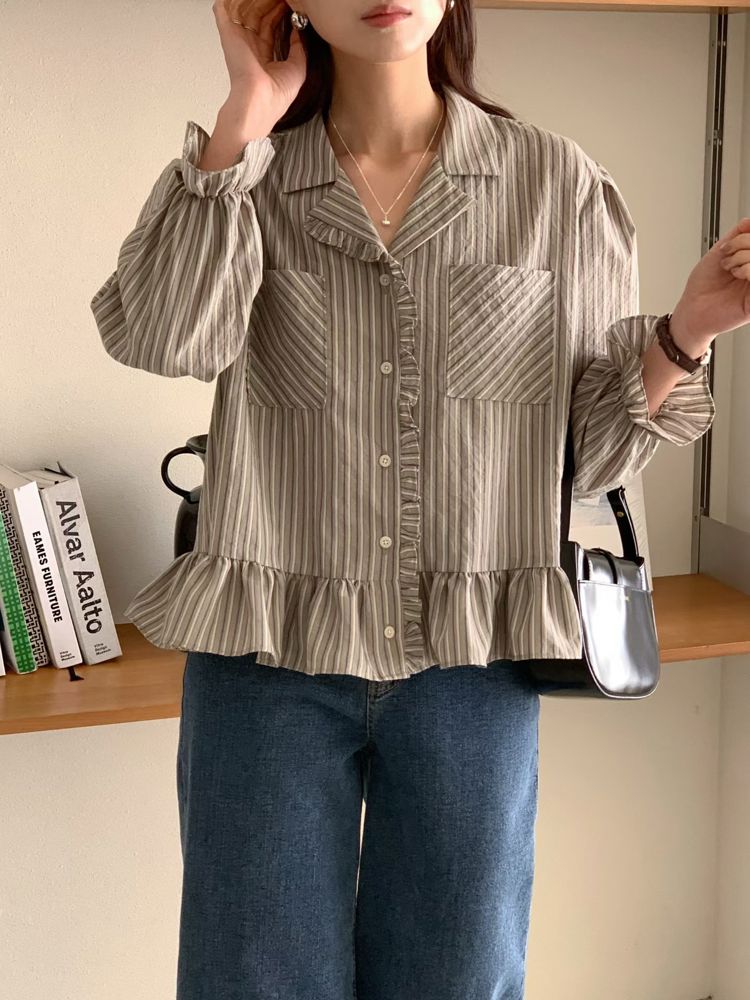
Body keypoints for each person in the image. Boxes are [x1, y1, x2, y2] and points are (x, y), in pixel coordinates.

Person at [91, 0, 749, 996]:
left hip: (472, 665)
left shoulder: (555, 185)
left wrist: (685, 330)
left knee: (461, 980)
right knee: (248, 979)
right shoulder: (249, 181)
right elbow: (163, 337)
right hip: (269, 658)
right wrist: (242, 117)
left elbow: (589, 458)